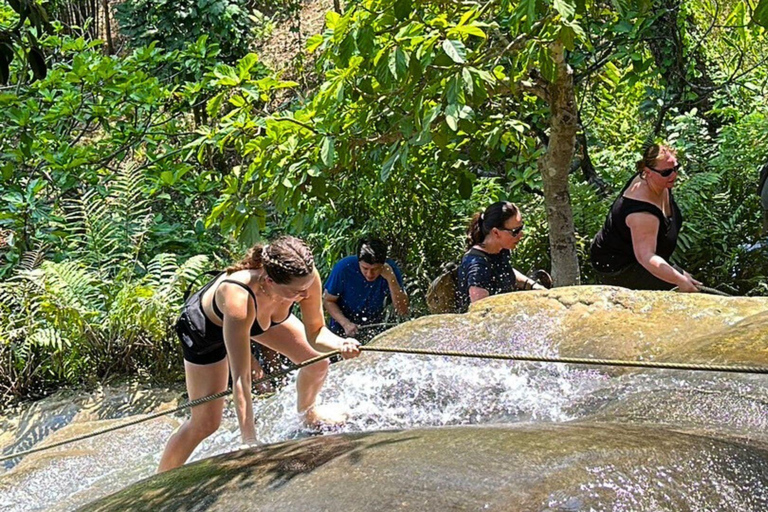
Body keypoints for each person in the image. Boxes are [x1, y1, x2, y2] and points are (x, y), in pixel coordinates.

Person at [158, 236, 360, 472]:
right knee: (206, 423)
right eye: (297, 292)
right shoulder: (238, 297)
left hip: (261, 318)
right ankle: (158, 480)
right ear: (269, 280)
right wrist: (250, 440)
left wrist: (341, 344)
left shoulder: (304, 277)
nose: (305, 296)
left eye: (306, 288)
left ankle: (308, 414)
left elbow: (316, 332)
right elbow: (242, 378)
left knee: (316, 363)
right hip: (206, 332)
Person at [590, 143, 701, 291]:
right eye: (666, 172)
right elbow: (646, 257)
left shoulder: (658, 181)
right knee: (685, 290)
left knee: (694, 285)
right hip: (620, 267)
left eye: (676, 168)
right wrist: (678, 279)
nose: (674, 175)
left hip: (643, 257)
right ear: (647, 171)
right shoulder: (641, 213)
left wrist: (680, 276)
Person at [456, 201, 545, 312]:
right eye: (515, 231)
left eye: (521, 228)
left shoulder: (500, 249)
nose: (521, 234)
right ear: (496, 233)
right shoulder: (478, 267)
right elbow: (480, 314)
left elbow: (505, 271)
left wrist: (535, 287)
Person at [323, 238, 409, 343]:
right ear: (358, 261)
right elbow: (328, 300)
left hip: (374, 325)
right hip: (342, 325)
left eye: (375, 269)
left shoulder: (390, 271)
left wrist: (391, 279)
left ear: (383, 265)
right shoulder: (344, 268)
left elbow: (402, 311)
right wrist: (345, 323)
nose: (369, 274)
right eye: (365, 268)